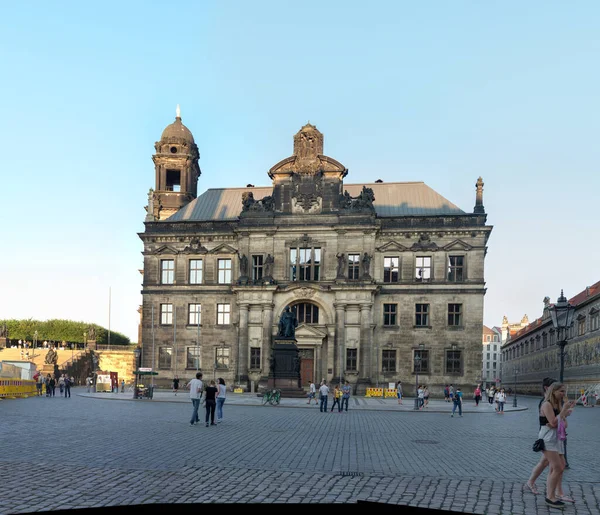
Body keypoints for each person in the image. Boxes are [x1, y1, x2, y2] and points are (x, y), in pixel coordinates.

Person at [538, 382, 576, 509]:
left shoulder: (557, 404)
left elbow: (563, 423)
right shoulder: (547, 404)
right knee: (557, 467)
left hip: (556, 438)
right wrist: (564, 411)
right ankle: (550, 497)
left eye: (564, 391)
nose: (563, 394)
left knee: (561, 466)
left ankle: (552, 494)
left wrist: (565, 413)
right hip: (548, 438)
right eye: (561, 391)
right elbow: (554, 423)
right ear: (553, 391)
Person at [526, 377, 556, 495]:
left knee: (545, 462)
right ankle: (553, 493)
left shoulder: (550, 401)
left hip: (551, 435)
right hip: (547, 435)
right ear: (547, 388)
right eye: (554, 387)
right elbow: (551, 422)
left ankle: (531, 482)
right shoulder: (545, 402)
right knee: (556, 465)